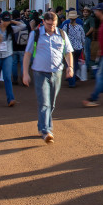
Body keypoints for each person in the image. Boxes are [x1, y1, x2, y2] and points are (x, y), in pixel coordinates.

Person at [22, 11, 74, 143]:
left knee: (51, 103)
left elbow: (68, 52)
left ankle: (42, 126)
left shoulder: (62, 34)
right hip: (40, 72)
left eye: (54, 24)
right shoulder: (35, 34)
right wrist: (25, 73)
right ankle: (46, 130)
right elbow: (27, 54)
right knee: (44, 102)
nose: (51, 27)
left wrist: (70, 67)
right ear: (43, 22)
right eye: (49, 24)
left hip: (57, 72)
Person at [65, 10, 85, 87]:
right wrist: (83, 46)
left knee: (69, 64)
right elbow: (83, 38)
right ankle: (73, 77)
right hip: (78, 48)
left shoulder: (66, 26)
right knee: (75, 63)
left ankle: (71, 80)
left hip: (69, 48)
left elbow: (62, 36)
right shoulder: (80, 27)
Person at [10, 9, 29, 84]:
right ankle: (23, 78)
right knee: (23, 63)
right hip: (23, 46)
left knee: (14, 63)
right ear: (20, 15)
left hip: (13, 47)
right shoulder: (24, 23)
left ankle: (15, 79)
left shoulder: (11, 25)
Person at [81, 6, 95, 72]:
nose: (85, 13)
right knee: (84, 52)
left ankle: (87, 66)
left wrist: (86, 34)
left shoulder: (91, 19)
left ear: (89, 13)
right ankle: (85, 65)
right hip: (83, 38)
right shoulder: (83, 19)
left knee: (87, 52)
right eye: (84, 12)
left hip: (87, 37)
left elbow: (92, 28)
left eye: (86, 12)